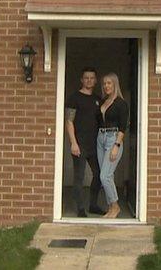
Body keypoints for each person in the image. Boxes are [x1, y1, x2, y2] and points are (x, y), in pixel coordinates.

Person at [65, 68, 104, 217]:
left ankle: (93, 205)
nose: (89, 80)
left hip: (95, 145)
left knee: (99, 174)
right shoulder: (74, 98)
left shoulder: (98, 99)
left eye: (92, 78)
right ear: (81, 80)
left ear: (95, 80)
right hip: (79, 144)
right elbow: (69, 121)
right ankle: (80, 208)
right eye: (86, 78)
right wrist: (73, 143)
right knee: (79, 177)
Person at [97, 72, 130, 219]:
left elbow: (123, 127)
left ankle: (115, 206)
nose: (106, 86)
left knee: (105, 176)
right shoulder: (103, 101)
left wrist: (117, 145)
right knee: (104, 176)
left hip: (113, 139)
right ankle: (111, 208)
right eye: (104, 83)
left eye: (109, 83)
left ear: (115, 84)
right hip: (100, 138)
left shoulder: (121, 103)